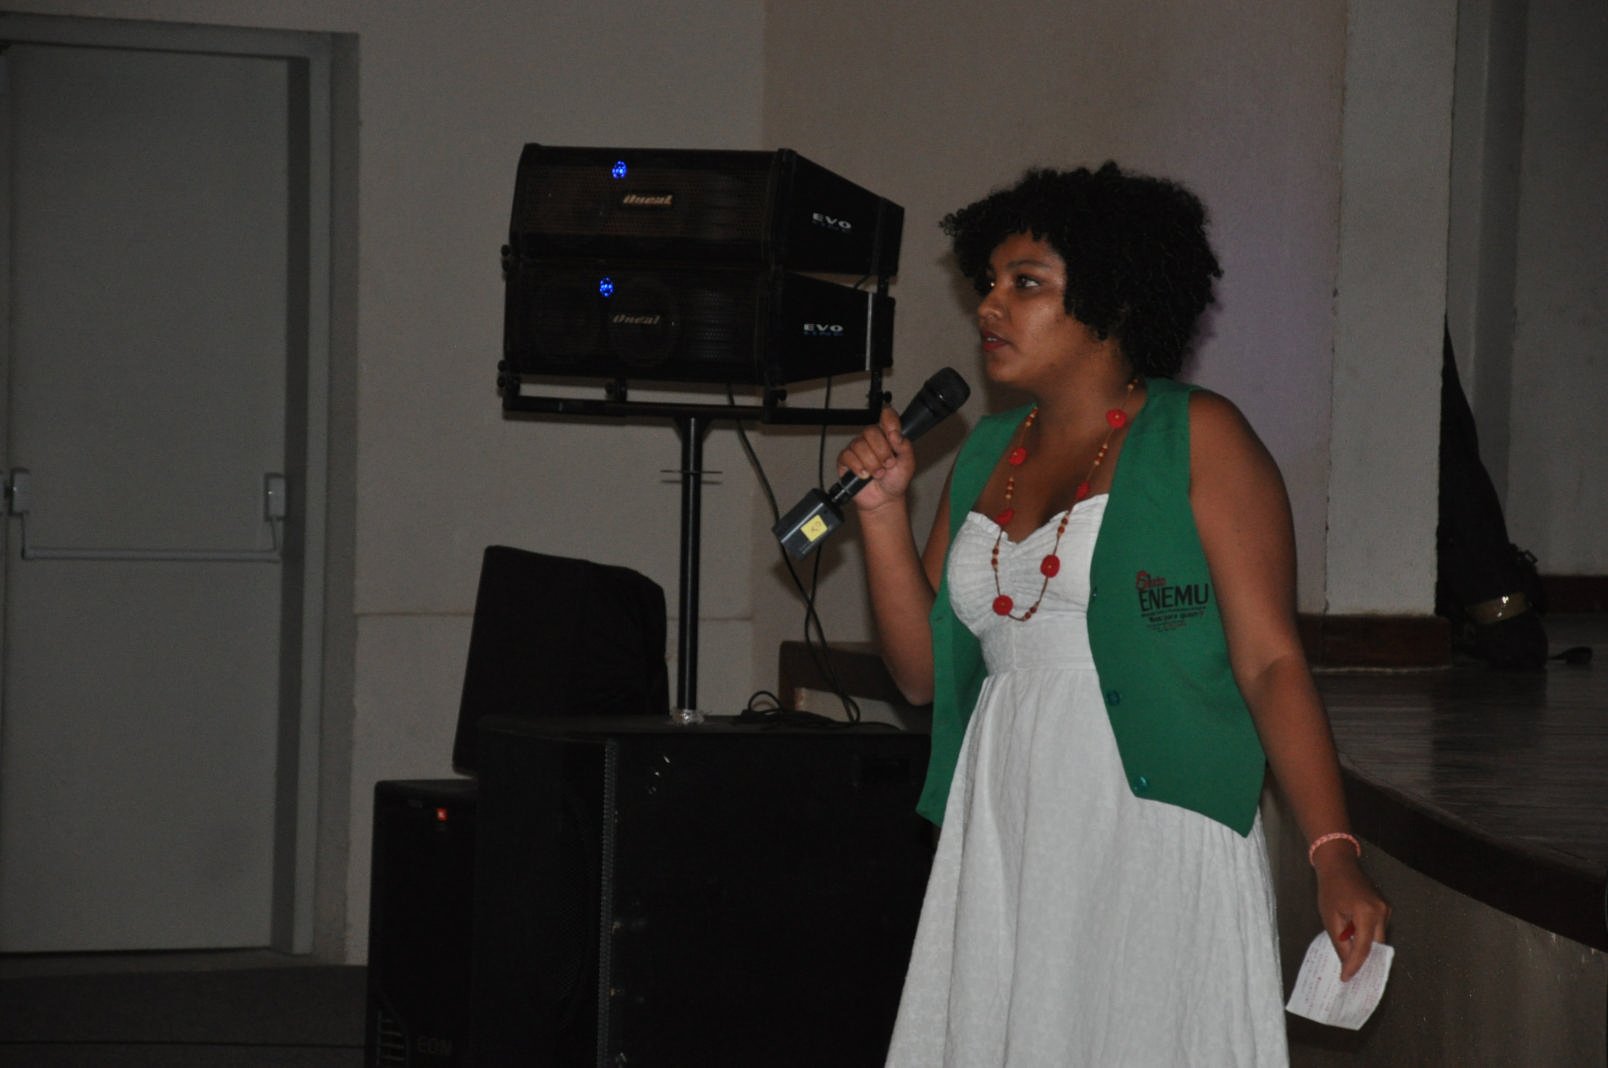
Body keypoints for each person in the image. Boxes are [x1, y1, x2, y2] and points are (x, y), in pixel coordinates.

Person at [838, 163, 1390, 1066]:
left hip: (1149, 818)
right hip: (1008, 818)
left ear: (1114, 300)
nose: (989, 306)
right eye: (989, 282)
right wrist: (880, 516)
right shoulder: (985, 452)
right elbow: (922, 675)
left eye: (1026, 284)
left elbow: (1270, 663)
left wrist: (1333, 852)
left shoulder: (1200, 435)